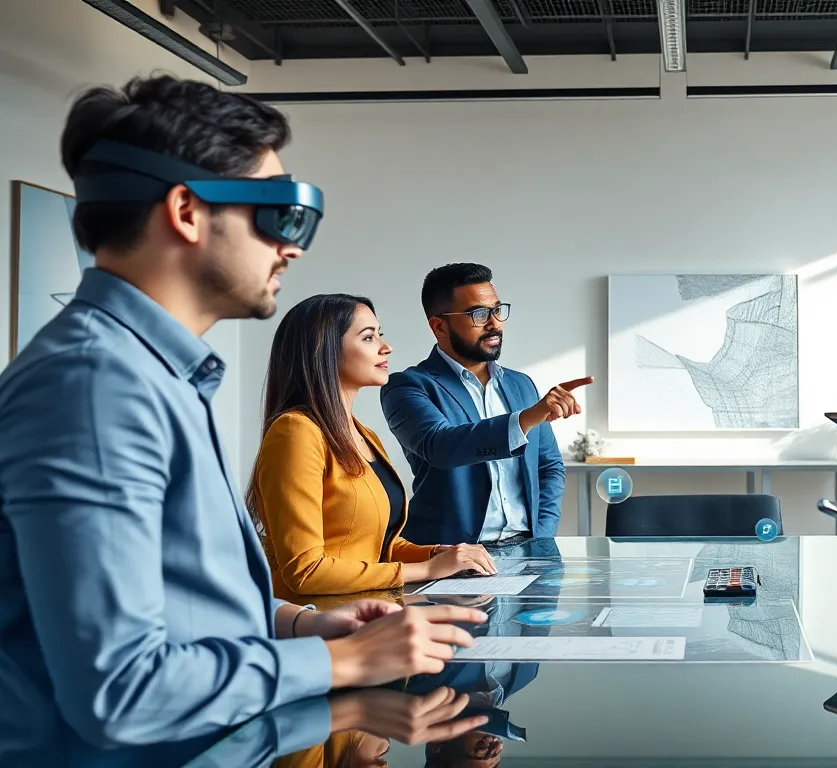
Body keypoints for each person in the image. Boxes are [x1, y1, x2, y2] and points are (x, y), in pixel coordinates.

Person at [0, 75, 486, 766]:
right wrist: (341, 664)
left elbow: (178, 600)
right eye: (280, 215)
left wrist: (300, 625)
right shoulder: (96, 388)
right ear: (187, 211)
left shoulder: (154, 375)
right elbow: (121, 691)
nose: (292, 247)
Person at [248, 293, 499, 602]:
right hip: (318, 616)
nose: (386, 346)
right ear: (324, 350)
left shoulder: (364, 435)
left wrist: (436, 553)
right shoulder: (295, 431)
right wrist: (428, 569)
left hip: (370, 607)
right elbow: (305, 570)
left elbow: (375, 546)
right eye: (368, 337)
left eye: (380, 334)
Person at [381, 263, 591, 547]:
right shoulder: (407, 386)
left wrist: (541, 537)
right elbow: (441, 446)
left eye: (497, 310)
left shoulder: (521, 385)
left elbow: (549, 467)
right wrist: (527, 419)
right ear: (439, 326)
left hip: (528, 551)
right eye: (478, 314)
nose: (494, 323)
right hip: (450, 555)